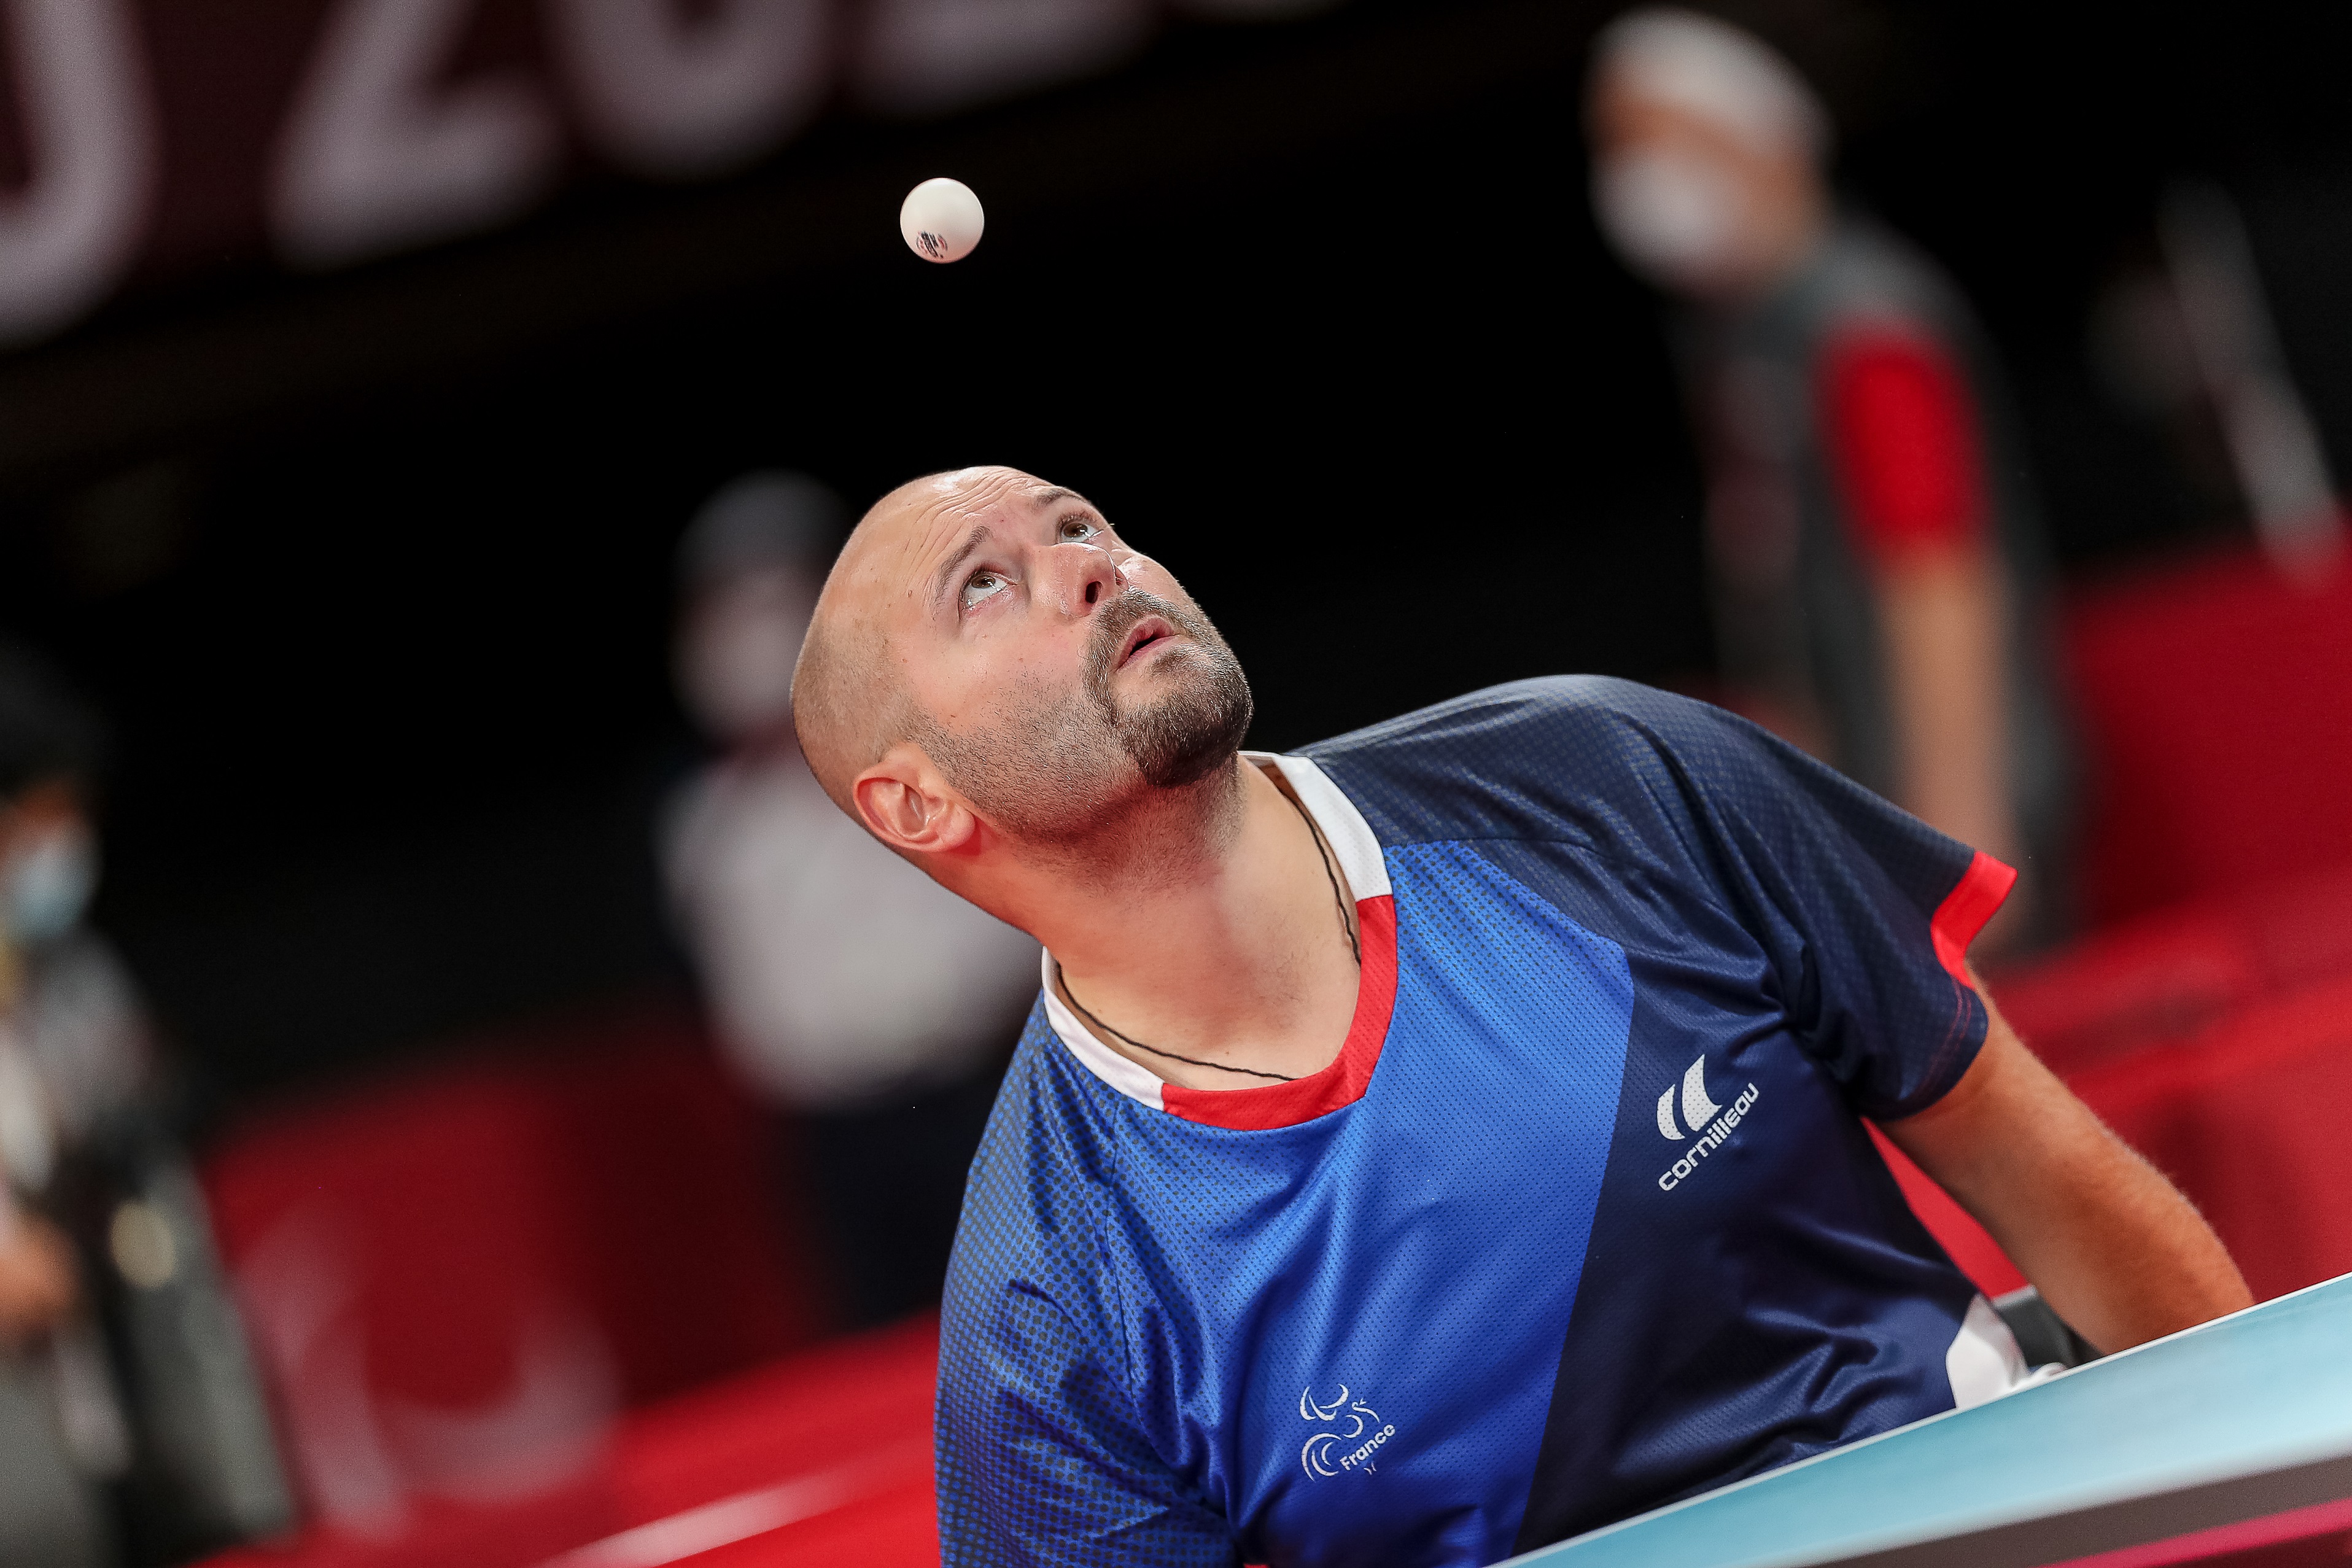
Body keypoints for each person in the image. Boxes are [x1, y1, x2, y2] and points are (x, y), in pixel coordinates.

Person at [788, 466, 2249, 1567]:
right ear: (916, 802)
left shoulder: (1601, 776)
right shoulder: (1045, 1298)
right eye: (984, 585)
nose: (1088, 566)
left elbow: (2042, 1165)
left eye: (1079, 524)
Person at [1586, 8, 2071, 950]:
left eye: (1650, 140)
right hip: (1864, 818)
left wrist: (1961, 827)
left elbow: (1936, 574)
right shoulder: (1743, 340)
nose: (1632, 177)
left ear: (1753, 133)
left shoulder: (1864, 330)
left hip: (1945, 815)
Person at [661, 473, 1039, 1328]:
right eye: (731, 605)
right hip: (834, 1138)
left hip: (980, 1093)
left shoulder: (944, 741)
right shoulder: (706, 824)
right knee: (890, 1347)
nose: (756, 631)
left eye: (781, 596)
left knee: (1041, 1323)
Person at [0, 646, 287, 1567]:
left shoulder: (71, 975)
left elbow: (149, 1095)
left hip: (123, 1396)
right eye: (43, 817)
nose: (64, 842)